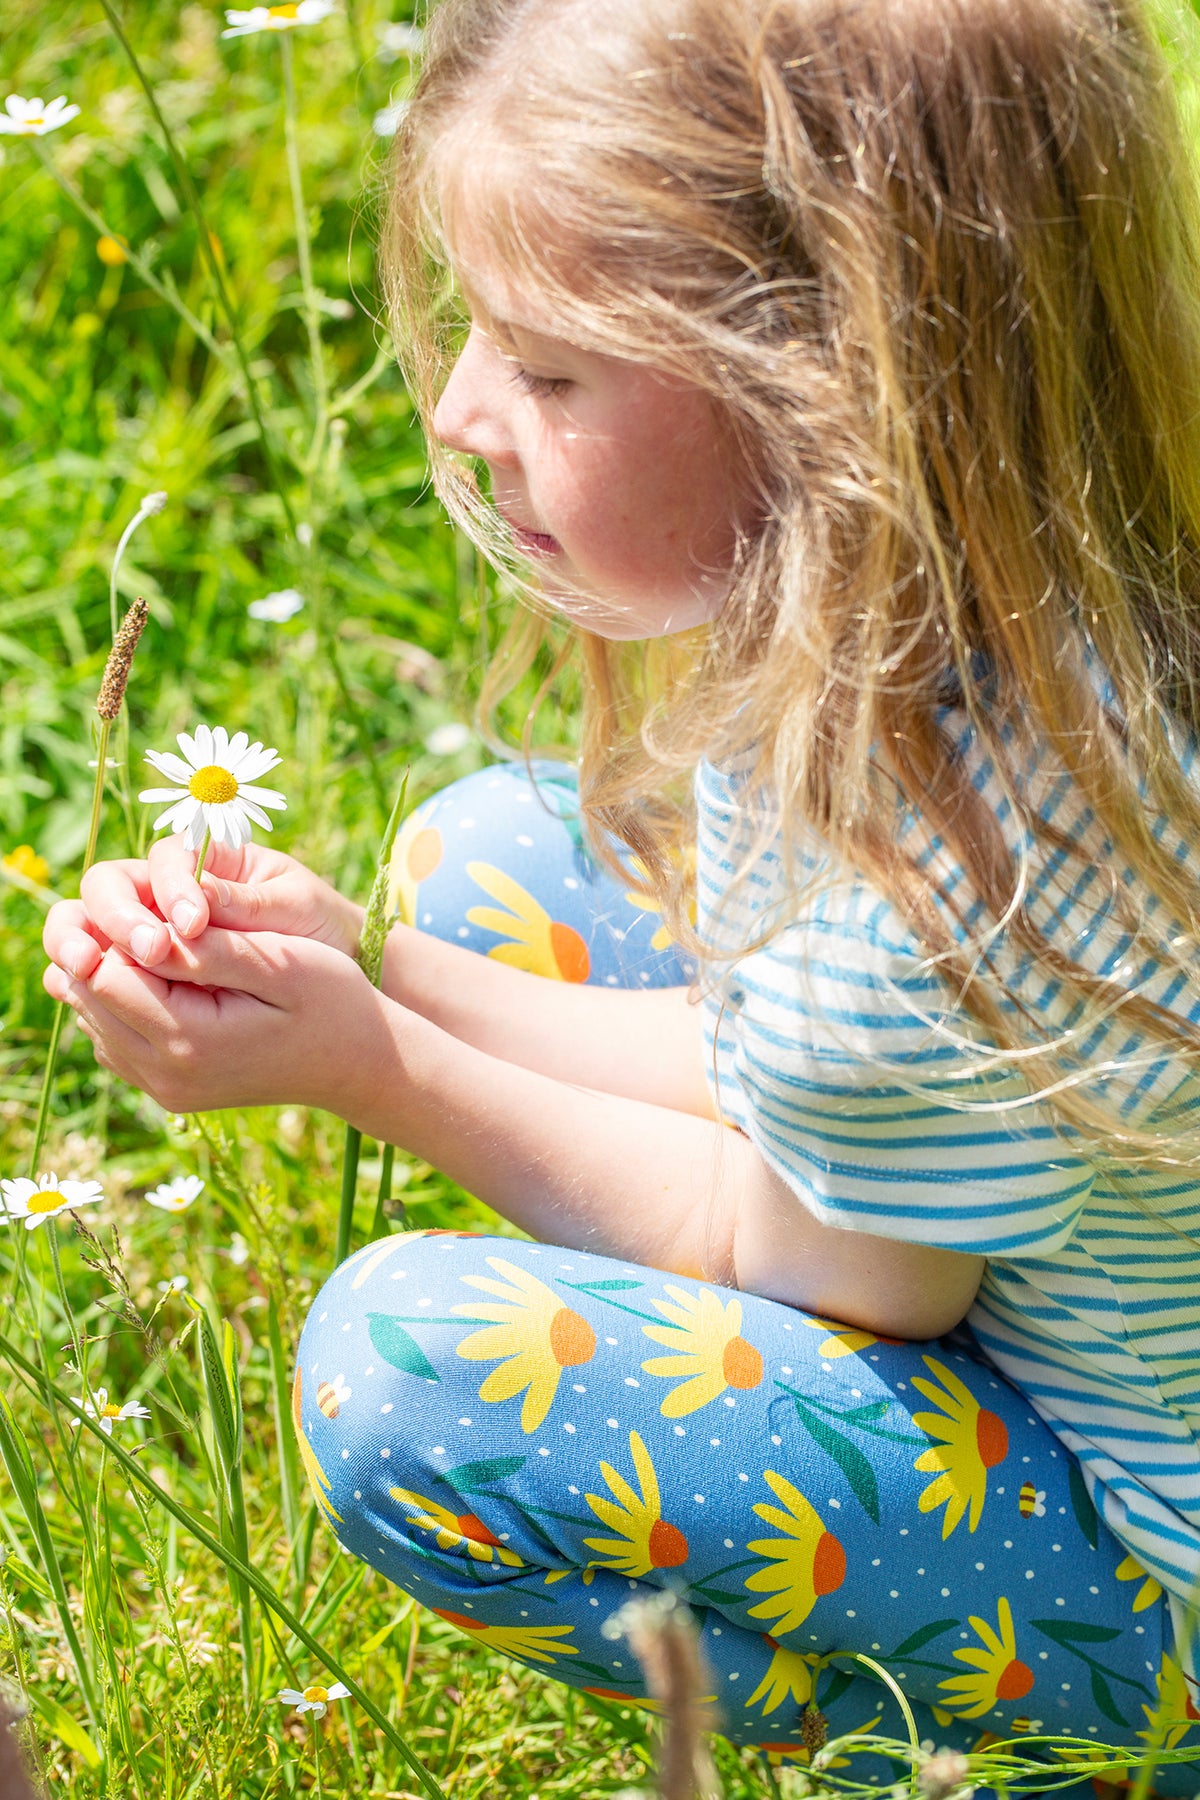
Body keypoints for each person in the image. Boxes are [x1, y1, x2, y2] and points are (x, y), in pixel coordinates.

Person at [41, 0, 1200, 1780]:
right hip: (982, 1232)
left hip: (1150, 1572)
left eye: (548, 363)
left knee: (410, 1373)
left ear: (834, 383)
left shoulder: (971, 872)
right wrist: (385, 971)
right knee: (478, 865)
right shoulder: (994, 610)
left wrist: (379, 1069)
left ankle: (1060, 1739)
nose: (457, 407)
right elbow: (761, 1044)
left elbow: (807, 1262)